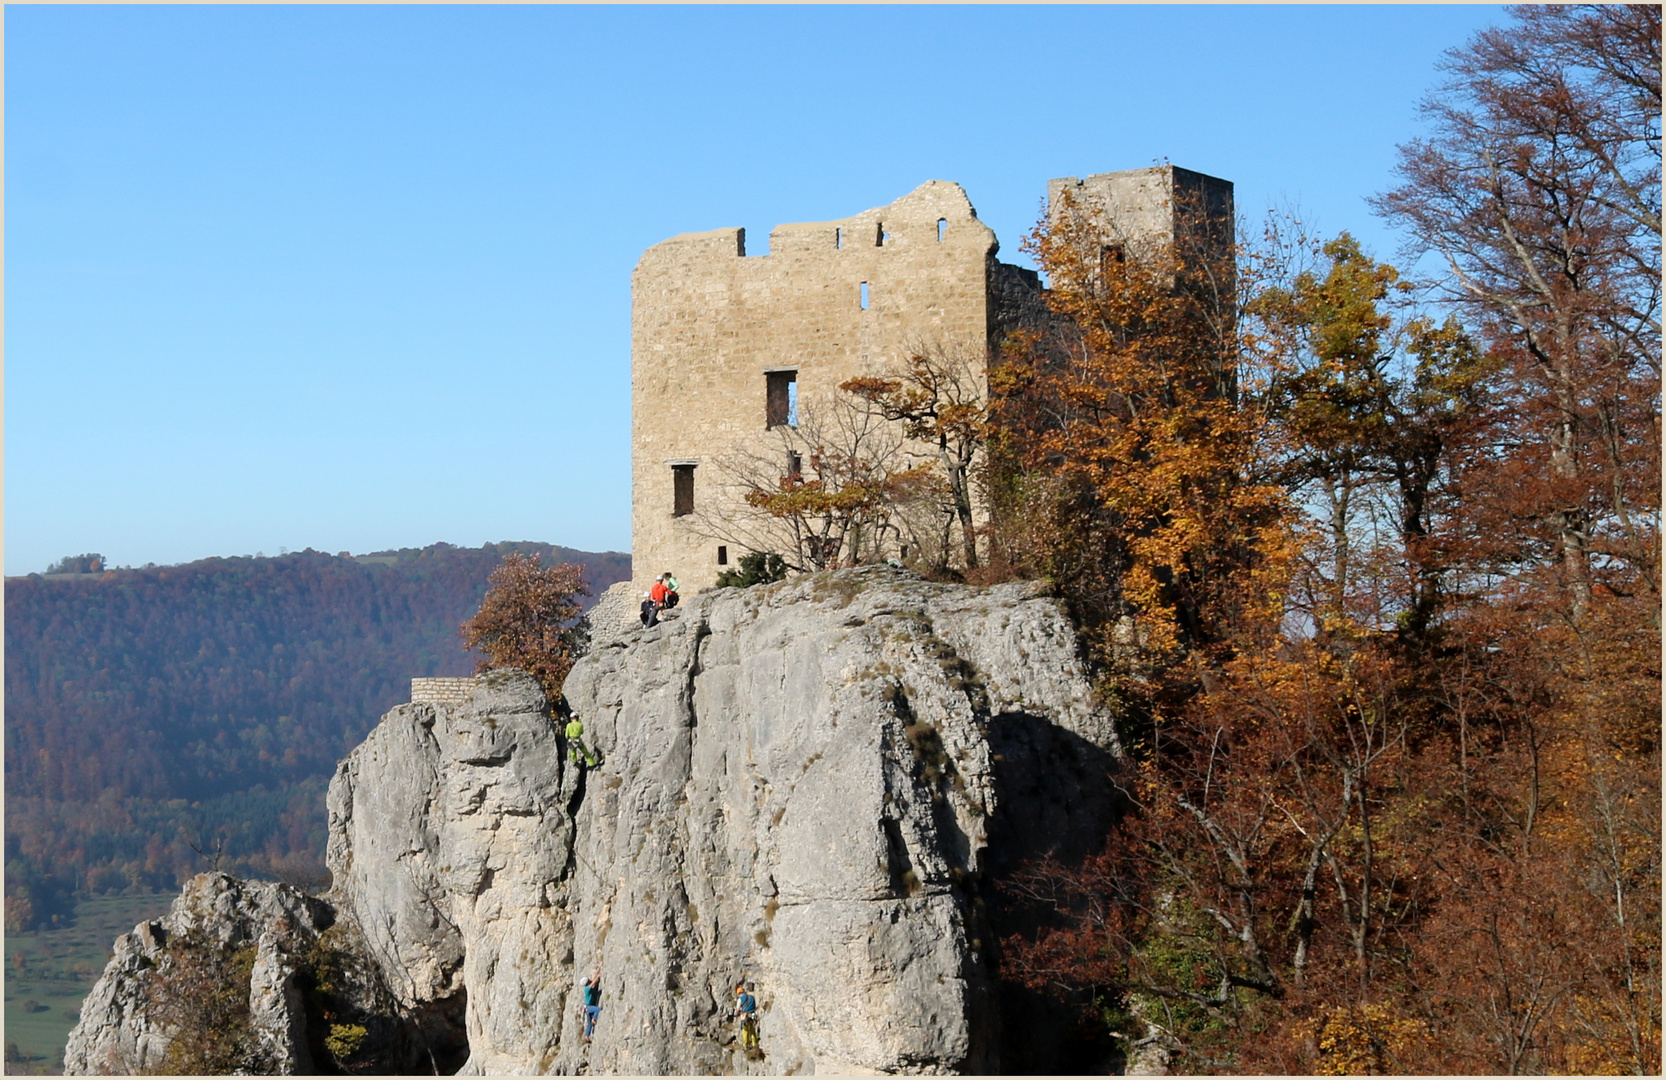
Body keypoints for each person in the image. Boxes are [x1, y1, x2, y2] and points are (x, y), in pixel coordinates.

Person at [734, 982, 759, 1050]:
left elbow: (737, 1009)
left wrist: (739, 1012)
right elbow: (754, 1006)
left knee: (745, 1031)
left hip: (745, 1016)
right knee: (752, 1030)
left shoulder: (740, 999)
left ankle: (746, 1045)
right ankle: (755, 1044)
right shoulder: (752, 997)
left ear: (739, 993)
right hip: (753, 1015)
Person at [582, 975, 602, 1039]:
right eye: (589, 980)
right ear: (587, 982)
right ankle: (594, 1018)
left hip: (587, 1008)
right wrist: (598, 976)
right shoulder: (587, 988)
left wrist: (599, 968)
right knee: (598, 1009)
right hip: (588, 1007)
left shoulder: (588, 987)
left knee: (589, 1023)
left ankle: (587, 1035)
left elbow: (593, 978)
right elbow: (594, 981)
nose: (590, 980)